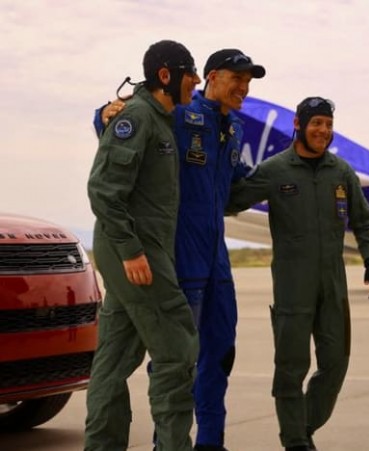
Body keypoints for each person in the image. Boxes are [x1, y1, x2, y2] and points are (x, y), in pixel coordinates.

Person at [95, 49, 266, 451]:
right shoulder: (178, 112)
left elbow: (233, 189)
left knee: (220, 353)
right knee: (177, 361)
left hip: (216, 260)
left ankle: (210, 442)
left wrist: (282, 177)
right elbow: (127, 123)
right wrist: (103, 113)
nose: (244, 87)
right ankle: (167, 443)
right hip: (180, 256)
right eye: (237, 79)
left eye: (248, 81)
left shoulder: (234, 127)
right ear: (212, 77)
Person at [226, 97, 369, 451]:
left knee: (336, 364)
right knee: (290, 368)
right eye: (316, 123)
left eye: (328, 124)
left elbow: (363, 219)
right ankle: (295, 441)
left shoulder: (341, 172)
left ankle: (303, 427)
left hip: (333, 284)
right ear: (298, 124)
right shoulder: (275, 170)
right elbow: (231, 201)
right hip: (292, 285)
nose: (323, 131)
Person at [85, 39, 201, 451]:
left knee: (114, 360)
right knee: (177, 351)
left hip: (136, 252)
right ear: (166, 75)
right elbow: (103, 190)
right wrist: (132, 251)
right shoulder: (137, 117)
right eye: (190, 73)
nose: (196, 81)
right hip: (137, 254)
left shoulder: (160, 119)